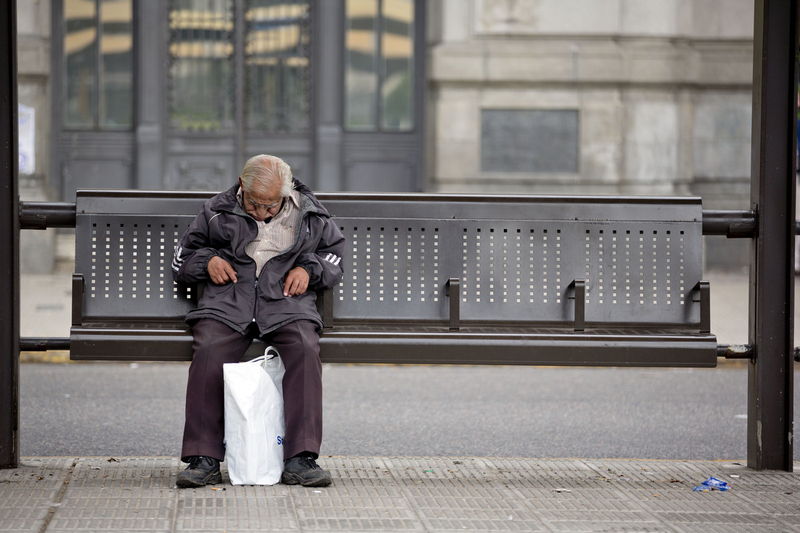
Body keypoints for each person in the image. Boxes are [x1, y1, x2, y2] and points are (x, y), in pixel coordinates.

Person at [171, 154, 345, 488]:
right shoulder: (216, 211)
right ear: (241, 186)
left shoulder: (310, 213)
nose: (263, 213)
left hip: (285, 302)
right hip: (228, 300)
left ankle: (301, 457)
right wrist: (207, 262)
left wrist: (308, 270)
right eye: (255, 204)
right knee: (208, 348)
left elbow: (334, 256)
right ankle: (202, 457)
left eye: (272, 205)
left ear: (287, 191)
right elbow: (182, 258)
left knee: (305, 348)